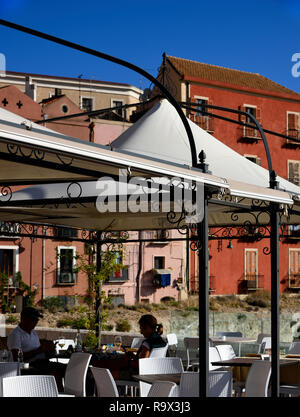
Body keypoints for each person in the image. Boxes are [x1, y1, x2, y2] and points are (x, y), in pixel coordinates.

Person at [7, 306, 66, 391]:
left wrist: (49, 350)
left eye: (37, 320)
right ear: (24, 319)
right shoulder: (15, 335)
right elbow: (17, 358)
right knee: (55, 371)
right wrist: (40, 350)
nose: (36, 322)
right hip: (28, 367)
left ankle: (67, 393)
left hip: (41, 363)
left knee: (70, 369)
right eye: (34, 319)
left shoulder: (33, 333)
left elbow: (40, 354)